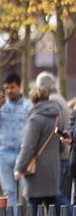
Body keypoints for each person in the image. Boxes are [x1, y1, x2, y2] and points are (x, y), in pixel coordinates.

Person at [0, 72, 31, 207]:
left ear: (19, 87)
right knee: (9, 191)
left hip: (22, 153)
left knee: (27, 190)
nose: (9, 91)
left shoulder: (28, 106)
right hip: (3, 152)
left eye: (12, 87)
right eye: (6, 88)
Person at [14, 87, 62, 209]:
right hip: (53, 168)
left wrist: (19, 168)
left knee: (34, 208)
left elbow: (28, 147)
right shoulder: (57, 117)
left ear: (33, 100)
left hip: (36, 172)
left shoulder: (35, 119)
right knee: (53, 208)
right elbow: (60, 145)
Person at [35, 72, 70, 203]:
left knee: (56, 197)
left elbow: (56, 129)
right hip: (64, 154)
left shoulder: (52, 102)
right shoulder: (61, 99)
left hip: (58, 156)